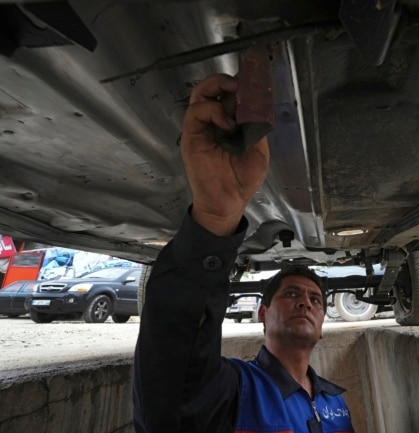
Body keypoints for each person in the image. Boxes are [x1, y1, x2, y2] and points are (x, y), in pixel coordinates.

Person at [132, 73, 355, 433]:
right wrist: (212, 219)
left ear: (323, 327)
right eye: (293, 294)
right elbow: (171, 403)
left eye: (316, 299)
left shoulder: (336, 403)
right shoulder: (235, 389)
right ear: (262, 314)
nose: (306, 303)